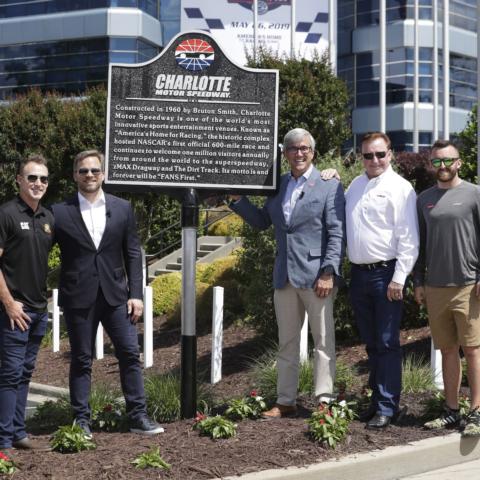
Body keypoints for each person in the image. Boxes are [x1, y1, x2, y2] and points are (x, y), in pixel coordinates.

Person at [230, 128, 345, 418]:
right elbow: (260, 222)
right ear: (285, 154)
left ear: (313, 152)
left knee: (323, 342)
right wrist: (236, 200)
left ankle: (324, 401)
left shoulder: (329, 184)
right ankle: (285, 401)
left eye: (304, 148)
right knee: (288, 342)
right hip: (285, 276)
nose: (299, 153)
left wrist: (329, 271)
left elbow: (336, 232)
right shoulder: (278, 185)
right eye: (292, 148)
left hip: (318, 276)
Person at [52, 150, 163, 437]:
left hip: (117, 297)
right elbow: (37, 250)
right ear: (74, 175)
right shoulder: (59, 212)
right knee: (81, 359)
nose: (89, 175)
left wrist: (136, 293)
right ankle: (81, 420)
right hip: (79, 297)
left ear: (103, 173)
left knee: (129, 354)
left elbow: (133, 254)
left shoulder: (123, 208)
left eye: (95, 170)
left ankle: (138, 416)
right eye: (83, 171)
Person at [346, 132, 419, 429]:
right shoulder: (355, 185)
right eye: (367, 155)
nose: (374, 160)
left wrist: (399, 279)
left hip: (386, 275)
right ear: (361, 156)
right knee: (372, 344)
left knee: (388, 343)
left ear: (390, 153)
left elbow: (409, 238)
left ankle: (388, 407)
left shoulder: (401, 188)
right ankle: (376, 402)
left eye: (380, 154)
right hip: (359, 275)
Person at [414, 139, 480, 437]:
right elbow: (421, 245)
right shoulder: (423, 199)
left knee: (474, 350)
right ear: (432, 164)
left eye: (448, 160)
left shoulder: (474, 194)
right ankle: (452, 411)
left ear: (459, 162)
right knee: (448, 350)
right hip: (435, 287)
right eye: (437, 161)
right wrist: (418, 281)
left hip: (468, 285)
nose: (443, 166)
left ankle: (477, 413)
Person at [0, 154, 53, 452]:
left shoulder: (48, 219)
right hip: (13, 312)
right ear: (19, 180)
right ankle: (3, 441)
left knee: (24, 374)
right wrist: (9, 304)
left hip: (38, 311)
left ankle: (18, 432)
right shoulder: (6, 214)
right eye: (32, 177)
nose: (38, 183)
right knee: (9, 375)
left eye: (43, 178)